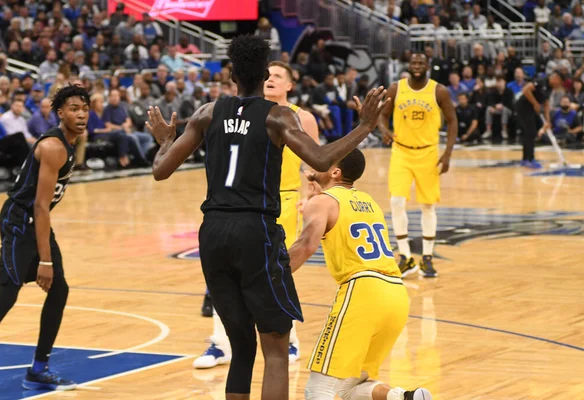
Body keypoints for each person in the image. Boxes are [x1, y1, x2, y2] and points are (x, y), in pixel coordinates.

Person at [145, 34, 387, 400]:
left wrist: (165, 140)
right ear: (263, 75)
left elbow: (161, 170)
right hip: (253, 230)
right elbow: (322, 160)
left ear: (231, 75)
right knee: (275, 349)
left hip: (212, 233)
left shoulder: (207, 113)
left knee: (241, 347)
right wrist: (365, 126)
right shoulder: (277, 115)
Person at [193, 60, 320, 370]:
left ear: (290, 85)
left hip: (285, 202)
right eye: (269, 75)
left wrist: (314, 194)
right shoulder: (244, 113)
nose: (272, 80)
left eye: (279, 76)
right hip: (244, 204)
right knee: (231, 277)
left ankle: (289, 341)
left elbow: (315, 165)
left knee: (279, 274)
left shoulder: (301, 117)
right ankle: (221, 344)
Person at [288, 149, 432, 400]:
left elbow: (305, 246)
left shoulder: (322, 202)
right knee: (349, 388)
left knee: (318, 388)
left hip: (362, 291)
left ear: (335, 171)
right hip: (396, 293)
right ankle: (403, 397)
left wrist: (268, 276)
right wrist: (312, 199)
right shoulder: (367, 201)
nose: (316, 159)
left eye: (324, 157)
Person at [0, 85, 90, 391]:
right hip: (20, 220)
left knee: (59, 290)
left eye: (84, 108)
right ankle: (38, 369)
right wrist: (44, 260)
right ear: (60, 113)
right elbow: (40, 206)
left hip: (35, 221)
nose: (81, 114)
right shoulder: (54, 147)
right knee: (7, 295)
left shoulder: (70, 142)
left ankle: (38, 370)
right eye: (73, 108)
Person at [378, 52, 458, 278]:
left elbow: (452, 121)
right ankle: (405, 257)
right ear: (408, 65)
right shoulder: (396, 88)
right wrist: (384, 129)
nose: (416, 66)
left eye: (421, 63)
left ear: (427, 66)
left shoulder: (438, 90)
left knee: (428, 206)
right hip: (401, 151)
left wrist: (448, 153)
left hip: (428, 153)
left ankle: (428, 258)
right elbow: (382, 115)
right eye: (413, 62)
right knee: (395, 201)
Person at [516, 71, 564, 169]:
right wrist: (535, 103)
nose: (558, 86)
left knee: (530, 132)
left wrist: (548, 121)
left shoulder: (550, 88)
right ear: (556, 78)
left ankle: (526, 159)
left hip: (531, 109)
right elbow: (525, 90)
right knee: (530, 131)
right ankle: (529, 159)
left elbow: (546, 104)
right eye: (559, 83)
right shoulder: (542, 81)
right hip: (523, 106)